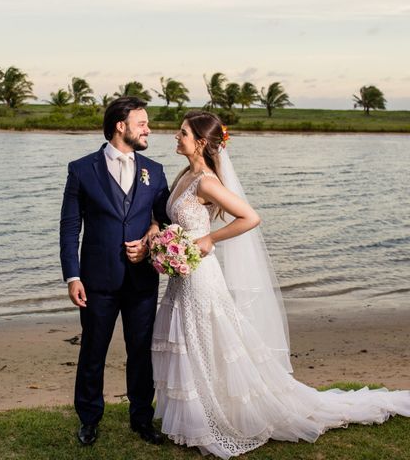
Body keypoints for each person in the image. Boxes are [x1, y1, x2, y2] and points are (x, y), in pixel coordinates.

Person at [151, 111, 410, 459]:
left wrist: (209, 239)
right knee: (190, 340)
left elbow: (250, 217)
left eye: (181, 133)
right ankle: (196, 418)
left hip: (201, 277)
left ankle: (212, 419)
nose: (175, 136)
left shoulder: (207, 182)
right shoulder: (186, 173)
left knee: (205, 339)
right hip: (183, 276)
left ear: (199, 142)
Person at [60, 97, 170, 445]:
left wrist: (150, 240)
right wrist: (72, 276)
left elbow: (164, 219)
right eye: (142, 123)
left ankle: (141, 418)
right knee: (93, 350)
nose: (148, 129)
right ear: (120, 126)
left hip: (141, 281)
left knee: (141, 351)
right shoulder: (81, 169)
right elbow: (69, 227)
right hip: (96, 282)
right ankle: (89, 418)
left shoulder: (155, 169)